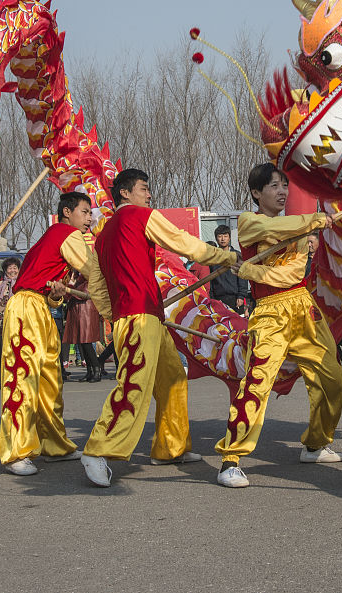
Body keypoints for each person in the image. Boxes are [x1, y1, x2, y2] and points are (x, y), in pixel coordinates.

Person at [79, 168, 239, 488]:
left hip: (141, 316)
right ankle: (98, 450)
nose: (149, 194)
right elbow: (179, 240)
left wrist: (117, 315)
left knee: (173, 378)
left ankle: (169, 446)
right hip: (139, 317)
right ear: (126, 193)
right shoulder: (140, 215)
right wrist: (223, 256)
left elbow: (97, 287)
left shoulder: (103, 234)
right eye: (144, 188)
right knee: (133, 386)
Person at [213, 163, 342, 489]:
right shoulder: (248, 222)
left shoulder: (299, 231)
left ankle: (316, 442)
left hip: (302, 305)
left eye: (284, 186)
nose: (282, 191)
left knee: (333, 380)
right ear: (257, 192)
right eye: (274, 186)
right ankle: (231, 459)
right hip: (269, 314)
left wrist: (251, 272)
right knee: (257, 383)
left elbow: (292, 275)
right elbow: (272, 231)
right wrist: (313, 222)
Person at [0, 192, 104, 476]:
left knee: (49, 380)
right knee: (22, 378)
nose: (89, 218)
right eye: (85, 211)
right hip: (25, 309)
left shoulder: (53, 240)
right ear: (67, 212)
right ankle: (16, 451)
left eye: (90, 213)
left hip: (40, 309)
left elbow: (54, 293)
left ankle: (55, 445)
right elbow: (94, 270)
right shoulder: (66, 234)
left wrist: (57, 295)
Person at [0, 258, 20, 382]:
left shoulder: (23, 283)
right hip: (4, 322)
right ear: (5, 270)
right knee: (6, 349)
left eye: (15, 268)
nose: (12, 270)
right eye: (10, 268)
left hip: (20, 321)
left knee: (19, 348)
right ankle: (7, 375)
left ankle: (20, 373)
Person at [210, 225, 250, 313]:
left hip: (235, 298)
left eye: (225, 236)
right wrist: (212, 299)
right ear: (216, 239)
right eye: (220, 236)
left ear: (229, 238)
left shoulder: (237, 255)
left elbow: (243, 277)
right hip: (218, 299)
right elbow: (211, 280)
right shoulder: (213, 257)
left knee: (238, 325)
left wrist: (241, 296)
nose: (223, 239)